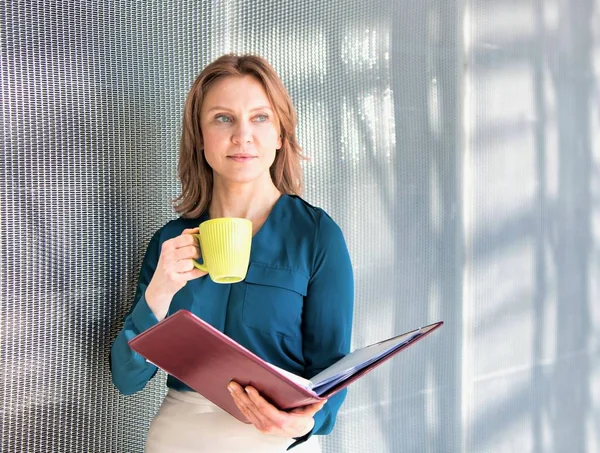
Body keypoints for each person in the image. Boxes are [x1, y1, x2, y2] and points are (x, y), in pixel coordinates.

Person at [110, 54, 354, 453]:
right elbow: (127, 378)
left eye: (260, 118)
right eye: (223, 118)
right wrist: (159, 291)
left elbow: (332, 371)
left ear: (280, 134)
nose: (243, 136)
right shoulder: (171, 242)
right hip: (176, 441)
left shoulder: (317, 237)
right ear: (200, 136)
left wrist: (305, 421)